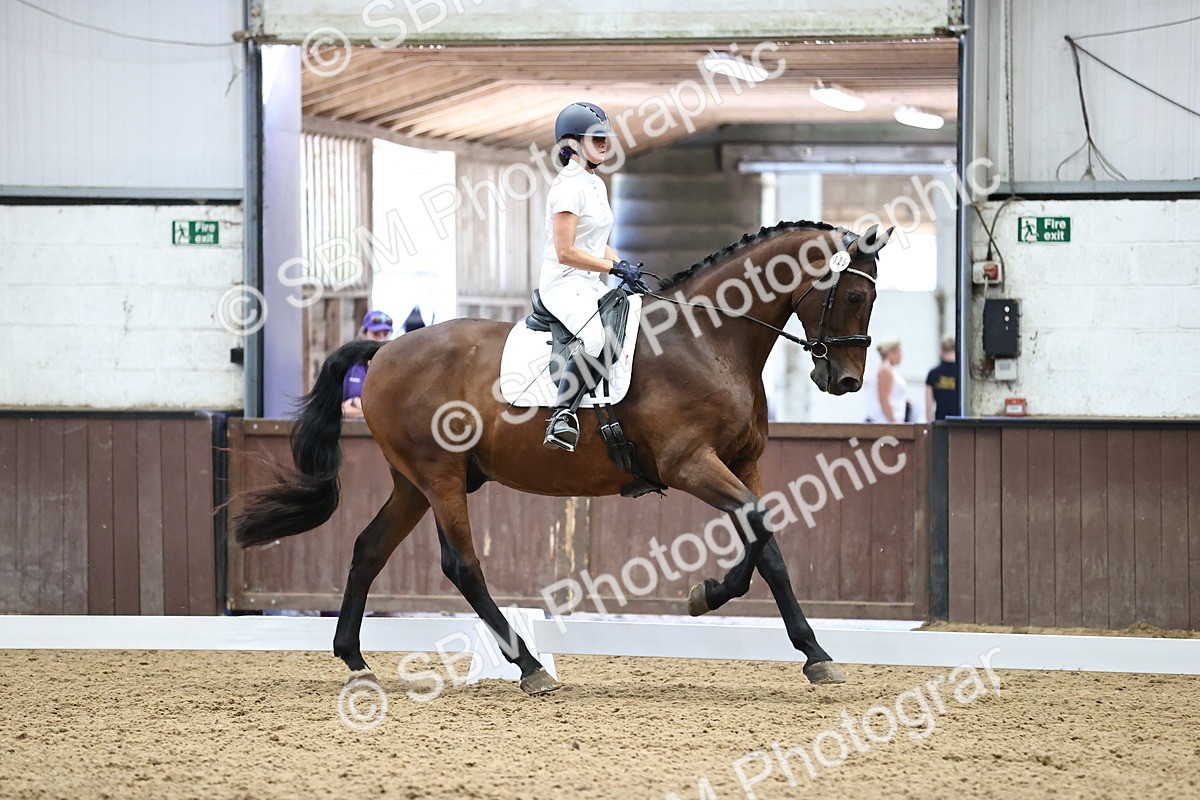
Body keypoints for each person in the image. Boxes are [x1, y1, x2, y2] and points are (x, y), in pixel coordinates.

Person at [539, 101, 650, 452]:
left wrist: (625, 268)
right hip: (563, 282)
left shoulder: (594, 184)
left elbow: (597, 243)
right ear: (572, 144)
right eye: (596, 138)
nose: (605, 143)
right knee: (593, 339)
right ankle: (561, 416)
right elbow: (566, 251)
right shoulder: (567, 188)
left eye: (606, 138)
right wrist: (613, 269)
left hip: (589, 281)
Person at [341, 310, 392, 418]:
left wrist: (355, 404)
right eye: (375, 334)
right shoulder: (350, 367)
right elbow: (338, 408)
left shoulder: (396, 369)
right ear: (364, 334)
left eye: (385, 334)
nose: (381, 339)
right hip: (354, 432)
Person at [865, 338, 907, 423]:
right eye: (899, 351)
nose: (902, 355)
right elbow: (884, 399)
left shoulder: (889, 370)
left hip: (885, 422)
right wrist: (894, 423)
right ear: (890, 352)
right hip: (882, 422)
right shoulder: (885, 371)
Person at [925, 335, 960, 421]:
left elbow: (929, 403)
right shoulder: (962, 374)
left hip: (941, 421)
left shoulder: (933, 373)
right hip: (960, 421)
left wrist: (929, 423)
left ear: (941, 350)